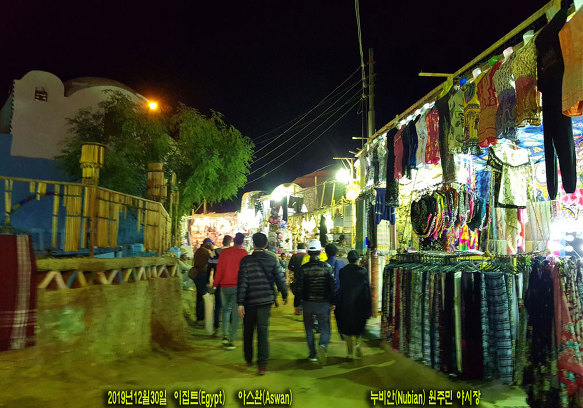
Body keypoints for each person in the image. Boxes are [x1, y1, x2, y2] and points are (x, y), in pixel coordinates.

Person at [237, 232, 288, 376]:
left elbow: (242, 283)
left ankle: (248, 358)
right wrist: (284, 294)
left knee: (248, 331)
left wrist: (240, 303)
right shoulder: (272, 260)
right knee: (263, 332)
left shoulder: (246, 261)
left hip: (249, 302)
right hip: (265, 301)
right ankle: (262, 365)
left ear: (253, 244)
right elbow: (280, 279)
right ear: (266, 244)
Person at [295, 239, 336, 365]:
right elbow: (332, 286)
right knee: (325, 328)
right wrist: (333, 302)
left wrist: (297, 304)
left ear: (308, 252)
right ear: (320, 252)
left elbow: (299, 288)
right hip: (323, 303)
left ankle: (312, 355)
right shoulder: (327, 267)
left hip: (307, 303)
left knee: (309, 329)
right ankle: (323, 345)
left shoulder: (303, 268)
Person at [212, 233, 247, 350]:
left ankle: (225, 336)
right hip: (238, 287)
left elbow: (219, 270)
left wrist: (215, 285)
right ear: (242, 242)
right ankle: (231, 341)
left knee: (226, 310)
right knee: (236, 314)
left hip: (224, 286)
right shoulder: (244, 253)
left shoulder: (224, 252)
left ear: (233, 241)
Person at [334, 250, 372, 360]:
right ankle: (358, 344)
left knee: (347, 330)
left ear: (348, 259)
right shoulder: (363, 272)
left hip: (345, 303)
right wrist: (369, 306)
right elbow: (366, 289)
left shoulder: (342, 271)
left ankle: (350, 353)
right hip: (360, 303)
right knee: (359, 327)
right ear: (358, 260)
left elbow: (341, 287)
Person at [191, 238, 214, 323]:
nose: (212, 245)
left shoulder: (199, 251)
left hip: (198, 275)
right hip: (202, 276)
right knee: (204, 296)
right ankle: (201, 318)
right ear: (207, 244)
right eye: (211, 244)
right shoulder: (204, 252)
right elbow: (206, 265)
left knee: (200, 297)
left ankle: (199, 317)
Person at [288, 243, 307, 314]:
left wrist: (295, 270)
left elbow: (290, 267)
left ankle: (297, 310)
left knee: (297, 294)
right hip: (306, 278)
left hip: (297, 277)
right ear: (304, 248)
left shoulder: (294, 256)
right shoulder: (307, 256)